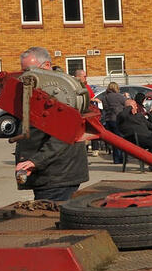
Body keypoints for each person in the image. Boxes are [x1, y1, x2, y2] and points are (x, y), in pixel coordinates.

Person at [14, 46, 90, 202]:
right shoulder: (42, 90)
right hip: (51, 175)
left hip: (56, 176)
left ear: (47, 66)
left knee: (51, 217)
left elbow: (64, 133)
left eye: (29, 70)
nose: (26, 77)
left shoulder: (61, 92)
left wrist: (36, 161)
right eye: (23, 72)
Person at [98, 82, 127, 163]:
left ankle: (116, 158)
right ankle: (120, 158)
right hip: (117, 119)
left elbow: (105, 108)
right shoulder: (119, 96)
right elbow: (126, 104)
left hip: (108, 120)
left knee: (114, 141)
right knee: (120, 139)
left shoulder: (105, 97)